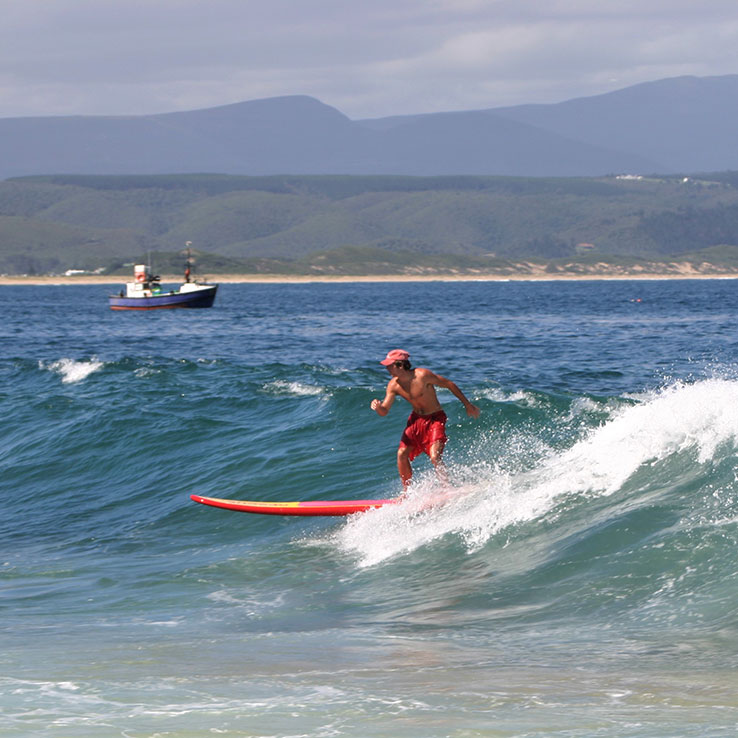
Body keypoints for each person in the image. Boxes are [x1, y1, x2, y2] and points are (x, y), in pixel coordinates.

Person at [370, 349, 480, 488]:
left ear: (400, 365)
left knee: (435, 456)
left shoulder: (422, 375)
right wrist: (378, 407)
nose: (387, 368)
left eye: (389, 365)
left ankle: (446, 487)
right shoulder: (394, 385)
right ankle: (406, 492)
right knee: (401, 454)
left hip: (435, 419)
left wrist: (467, 405)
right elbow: (384, 411)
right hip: (416, 420)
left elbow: (449, 384)